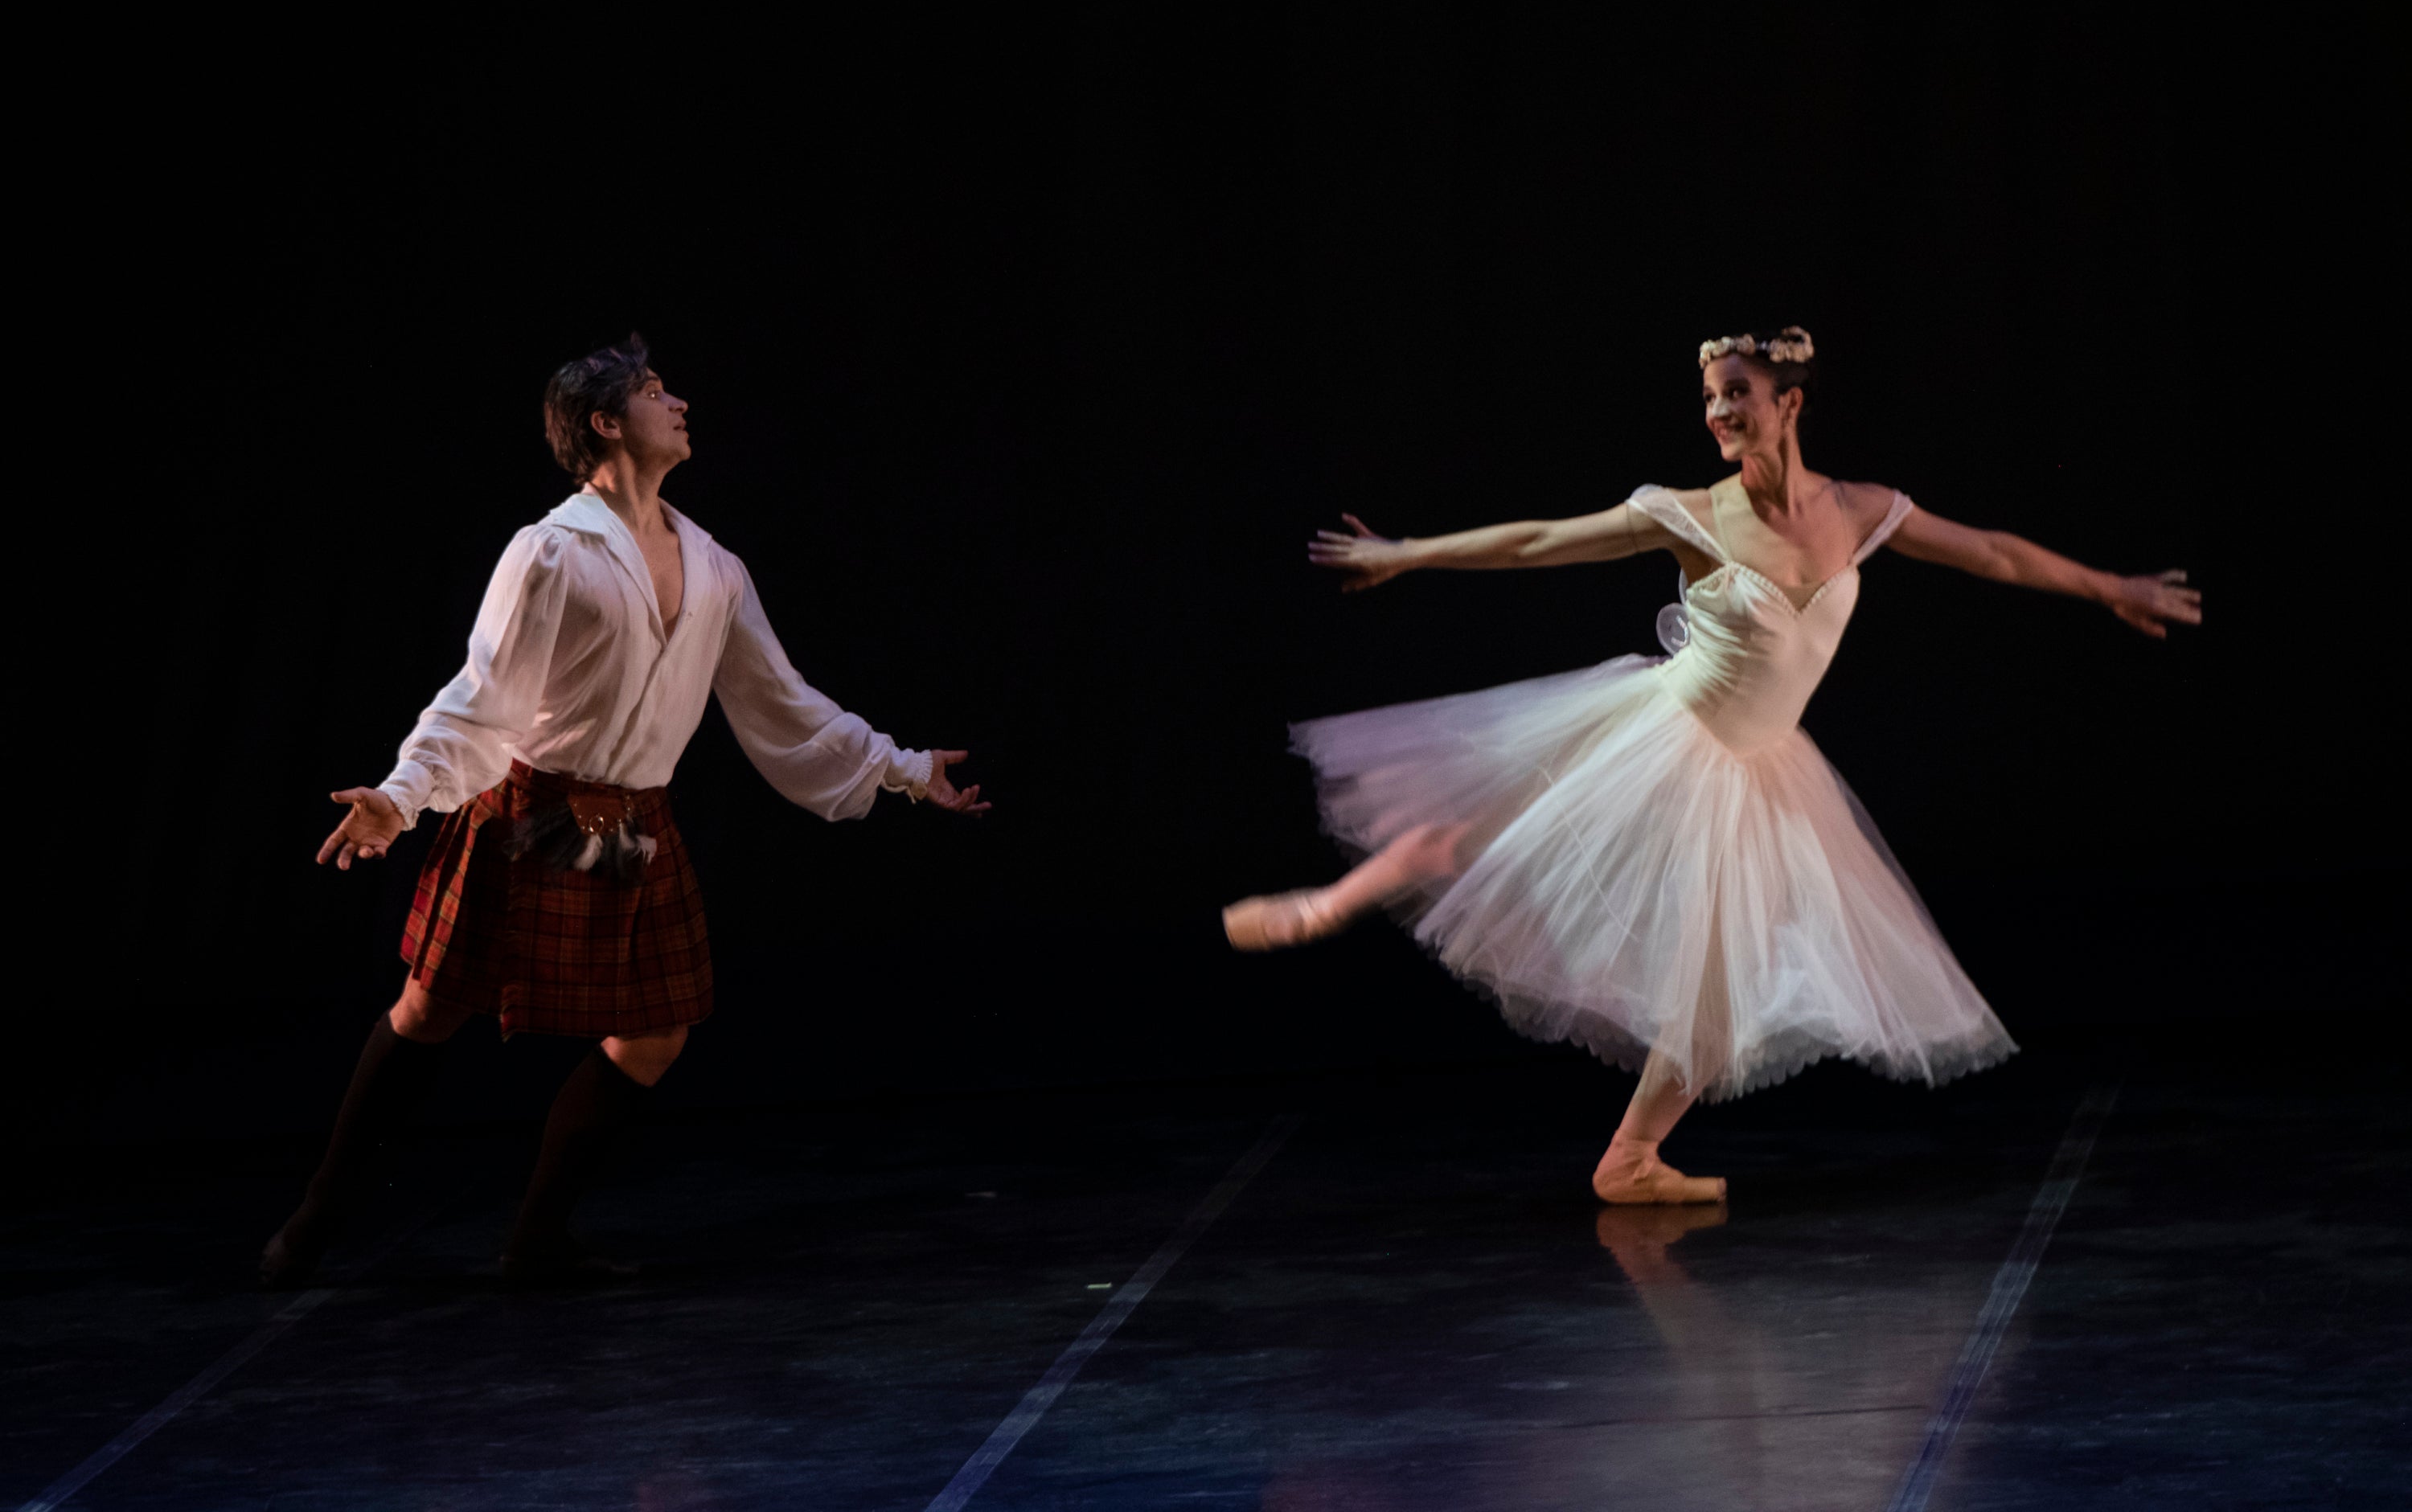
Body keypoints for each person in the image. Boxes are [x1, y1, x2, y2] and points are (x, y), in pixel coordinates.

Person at [1223, 326, 2199, 1204]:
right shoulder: (1688, 514)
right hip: (1665, 737)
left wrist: (2108, 584)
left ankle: (1630, 1159)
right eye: (1711, 398)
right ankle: (1330, 903)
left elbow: (1993, 553)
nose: (1721, 412)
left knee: (1720, 1002)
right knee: (1485, 843)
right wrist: (1412, 553)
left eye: (1738, 393)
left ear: (1790, 404)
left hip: (1763, 769)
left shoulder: (1860, 509)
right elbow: (1539, 543)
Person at [261, 334, 988, 1286]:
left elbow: (781, 698)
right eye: (653, 391)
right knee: (432, 1006)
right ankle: (320, 1211)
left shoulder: (713, 563)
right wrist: (401, 797)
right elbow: (483, 697)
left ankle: (537, 1240)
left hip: (627, 820)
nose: (678, 400)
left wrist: (900, 767)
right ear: (606, 423)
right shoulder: (552, 551)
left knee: (653, 1032)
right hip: (536, 805)